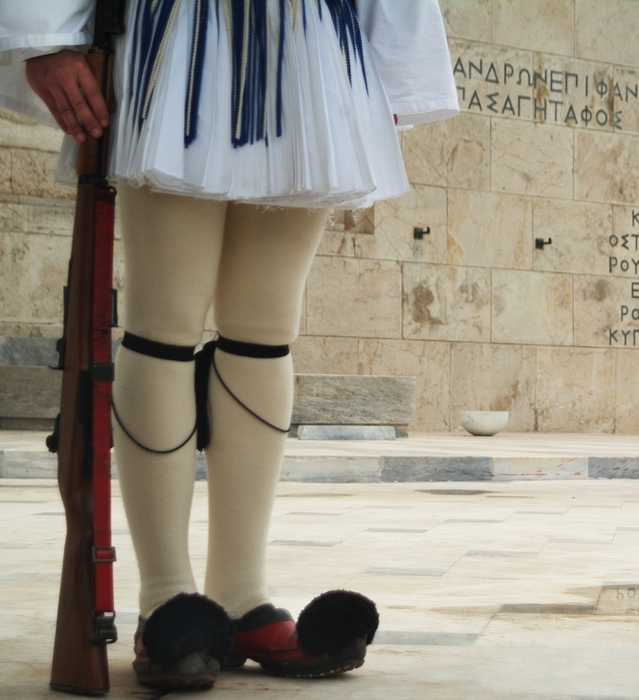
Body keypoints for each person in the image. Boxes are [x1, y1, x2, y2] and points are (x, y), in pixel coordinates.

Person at [0, 0, 458, 690]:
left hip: (313, 49)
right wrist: (43, 37)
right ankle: (166, 599)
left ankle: (243, 596)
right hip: (180, 37)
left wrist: (392, 72)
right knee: (164, 325)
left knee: (266, 331)